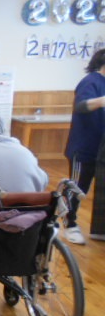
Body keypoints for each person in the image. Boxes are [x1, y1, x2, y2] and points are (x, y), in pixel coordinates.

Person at [64, 48, 105, 244]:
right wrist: (101, 101)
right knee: (79, 188)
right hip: (84, 148)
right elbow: (81, 106)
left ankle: (100, 230)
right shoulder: (91, 81)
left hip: (102, 149)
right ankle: (69, 223)